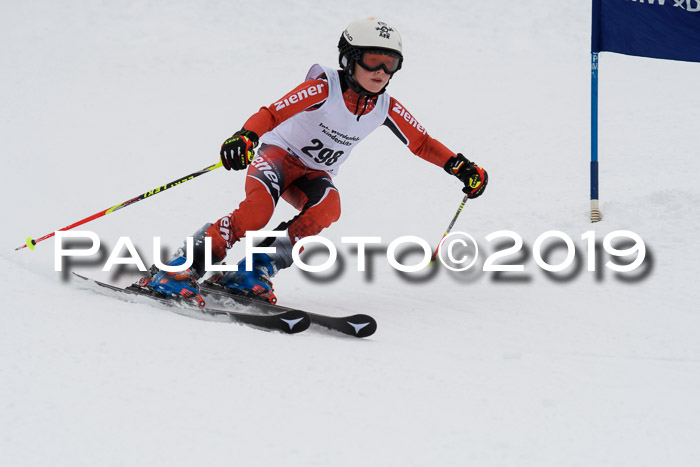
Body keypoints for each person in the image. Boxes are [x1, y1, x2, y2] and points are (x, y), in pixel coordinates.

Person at [145, 17, 488, 305]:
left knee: (328, 208)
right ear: (349, 59)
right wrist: (246, 135)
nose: (381, 71)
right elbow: (274, 112)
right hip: (277, 158)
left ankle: (253, 269)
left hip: (312, 173)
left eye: (391, 63)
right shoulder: (324, 87)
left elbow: (423, 143)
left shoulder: (386, 107)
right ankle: (180, 266)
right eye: (372, 60)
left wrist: (462, 167)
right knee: (257, 212)